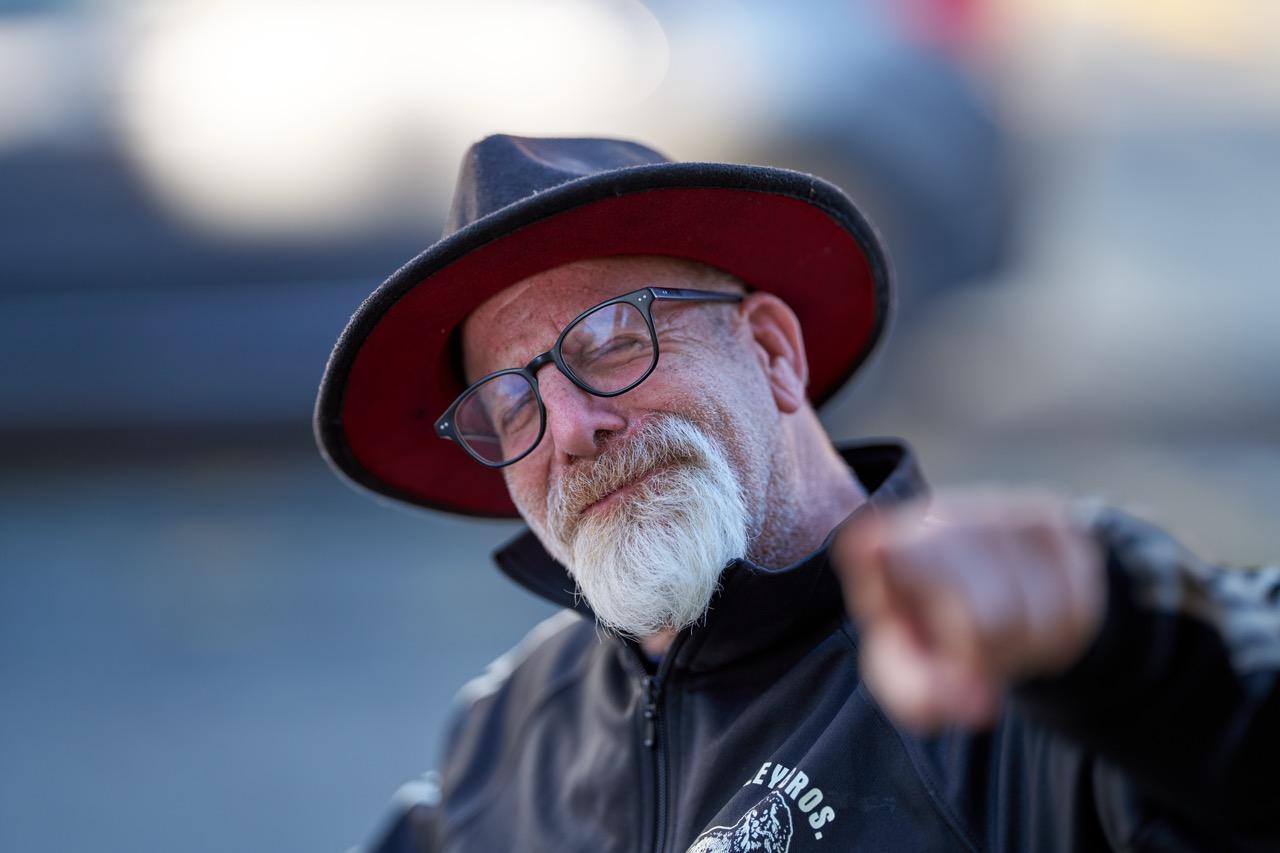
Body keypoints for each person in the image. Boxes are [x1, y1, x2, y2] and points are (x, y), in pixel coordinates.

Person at [315, 135, 1279, 852]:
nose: (569, 431)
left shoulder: (1019, 675)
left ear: (773, 353)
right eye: (510, 402)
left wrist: (1126, 638)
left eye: (612, 341)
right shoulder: (509, 729)